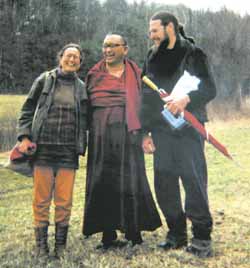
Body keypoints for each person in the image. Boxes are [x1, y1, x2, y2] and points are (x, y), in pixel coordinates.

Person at [140, 12, 216, 258]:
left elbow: (210, 88)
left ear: (170, 27)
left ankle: (202, 237)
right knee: (164, 182)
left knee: (193, 180)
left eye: (154, 31)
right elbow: (146, 97)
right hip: (161, 130)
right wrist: (144, 131)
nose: (151, 35)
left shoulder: (193, 53)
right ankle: (176, 233)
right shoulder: (152, 56)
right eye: (150, 31)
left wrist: (187, 98)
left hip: (189, 129)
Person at [82, 33, 161, 249]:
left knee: (131, 180)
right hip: (101, 136)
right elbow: (85, 107)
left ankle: (133, 231)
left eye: (113, 46)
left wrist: (146, 133)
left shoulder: (137, 73)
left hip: (130, 134)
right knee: (103, 180)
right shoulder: (94, 74)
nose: (108, 50)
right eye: (105, 46)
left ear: (125, 49)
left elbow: (146, 105)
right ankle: (108, 234)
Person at [17, 43, 87, 260]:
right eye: (69, 56)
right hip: (43, 149)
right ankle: (41, 246)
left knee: (64, 201)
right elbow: (27, 109)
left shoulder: (82, 87)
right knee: (41, 199)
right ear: (60, 58)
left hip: (68, 151)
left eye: (76, 57)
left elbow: (88, 117)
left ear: (80, 62)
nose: (72, 60)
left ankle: (60, 246)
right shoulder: (45, 80)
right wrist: (24, 137)